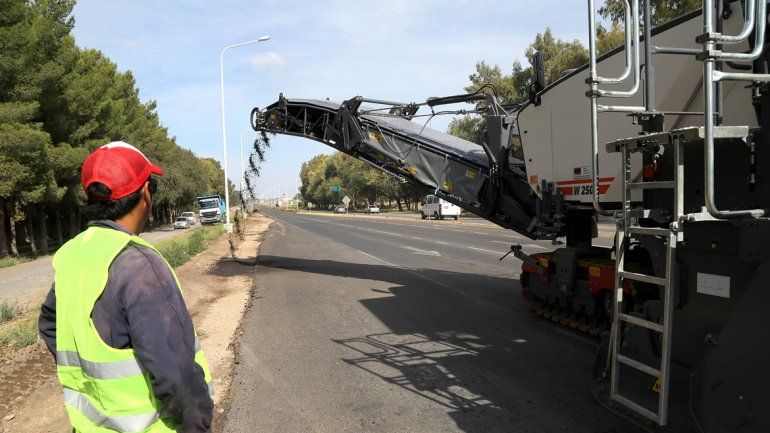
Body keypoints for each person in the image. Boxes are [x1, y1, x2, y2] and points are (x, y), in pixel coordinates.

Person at [38, 141, 214, 433]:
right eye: (152, 187)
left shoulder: (72, 254)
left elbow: (49, 324)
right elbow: (177, 376)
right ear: (146, 193)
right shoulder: (139, 264)